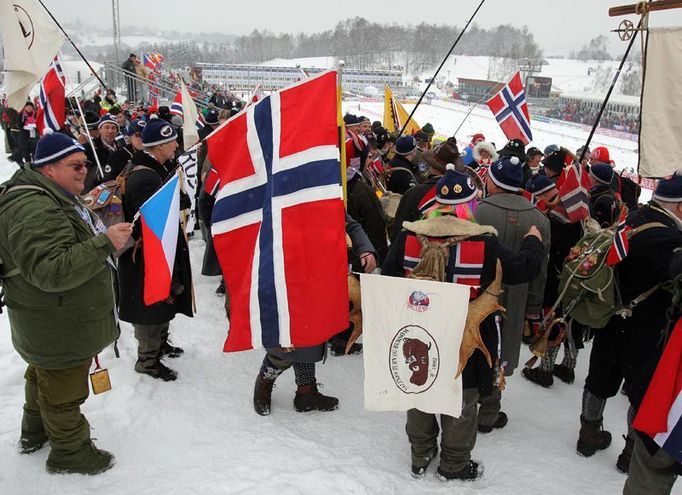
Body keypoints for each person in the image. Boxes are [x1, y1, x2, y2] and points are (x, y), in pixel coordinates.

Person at [382, 165, 545, 481]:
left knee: (419, 390)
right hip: (464, 341)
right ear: (471, 206)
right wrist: (533, 241)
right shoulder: (484, 245)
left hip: (419, 334)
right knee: (462, 401)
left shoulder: (408, 238)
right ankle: (453, 464)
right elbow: (525, 269)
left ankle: (420, 454)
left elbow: (387, 281)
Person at [0, 133, 133, 474]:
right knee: (63, 393)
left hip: (47, 320)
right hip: (57, 322)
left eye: (85, 164)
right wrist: (104, 243)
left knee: (43, 374)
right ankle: (70, 454)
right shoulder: (35, 207)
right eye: (74, 166)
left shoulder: (48, 196)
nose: (83, 172)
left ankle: (34, 433)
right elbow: (51, 271)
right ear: (48, 168)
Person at [579, 175, 682, 476]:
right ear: (678, 207)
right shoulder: (670, 240)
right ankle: (631, 452)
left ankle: (588, 434)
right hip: (647, 331)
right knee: (640, 394)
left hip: (610, 317)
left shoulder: (630, 219)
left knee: (598, 380)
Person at [252, 214, 376, 416]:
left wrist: (365, 249)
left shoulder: (320, 188)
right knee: (284, 342)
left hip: (318, 276)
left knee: (311, 337)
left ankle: (306, 392)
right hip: (284, 275)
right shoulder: (274, 190)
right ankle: (265, 380)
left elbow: (348, 223)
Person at [474, 156, 550, 433]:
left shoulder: (476, 211)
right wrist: (534, 309)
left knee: (474, 344)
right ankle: (490, 410)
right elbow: (540, 272)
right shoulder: (540, 219)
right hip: (516, 298)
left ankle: (469, 404)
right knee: (501, 351)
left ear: (493, 180)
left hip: (478, 294)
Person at [117, 118, 194, 381]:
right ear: (159, 146)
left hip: (156, 252)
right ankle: (148, 361)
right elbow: (147, 223)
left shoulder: (152, 168)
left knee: (163, 298)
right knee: (150, 305)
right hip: (146, 256)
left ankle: (160, 345)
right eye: (171, 141)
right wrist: (176, 204)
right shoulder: (145, 177)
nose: (175, 145)